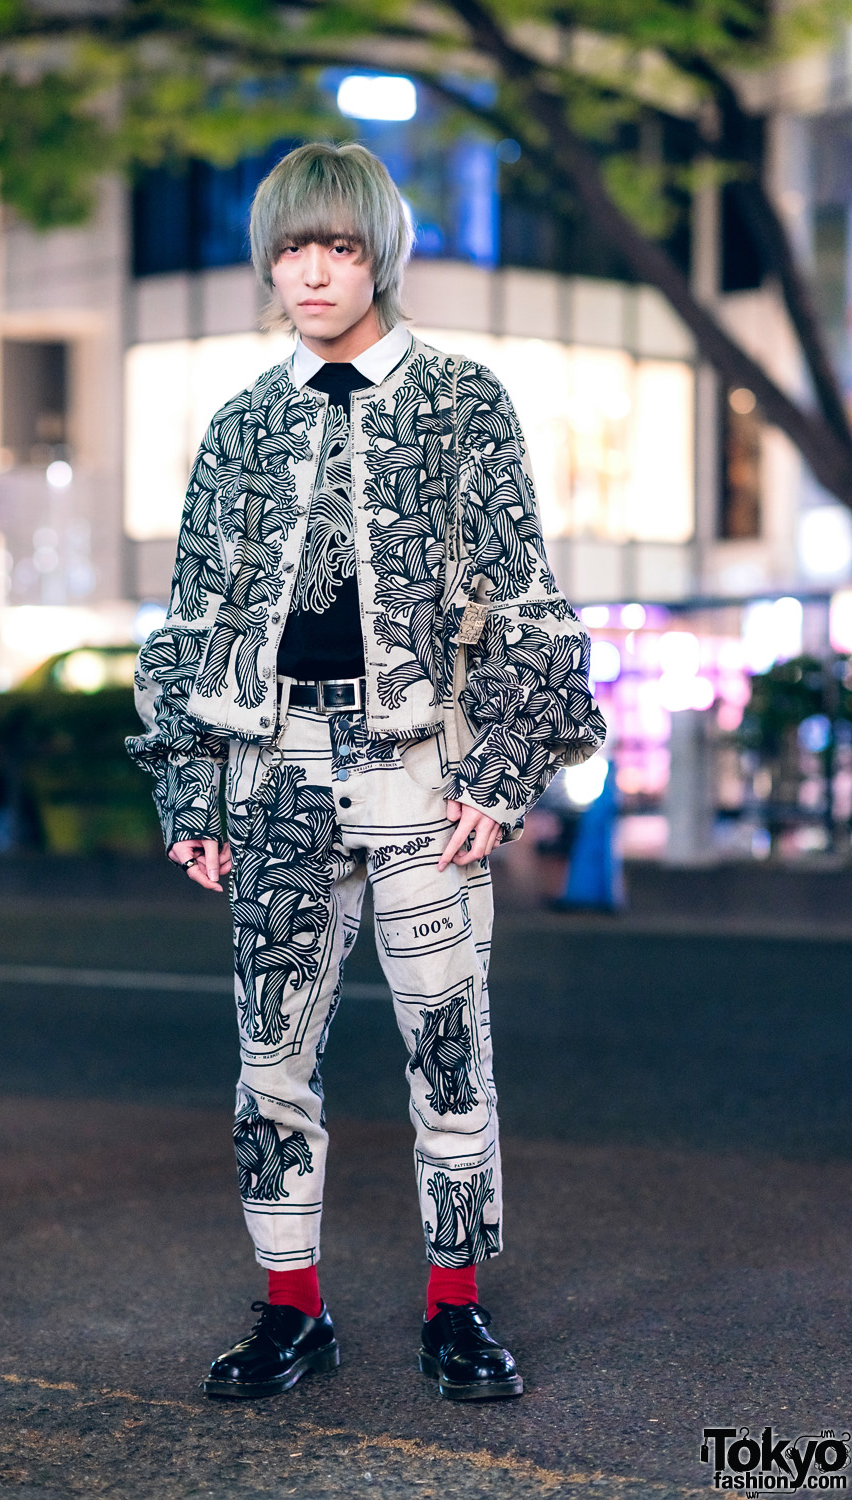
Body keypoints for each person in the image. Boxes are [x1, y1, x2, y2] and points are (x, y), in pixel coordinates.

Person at [127, 141, 606, 1402]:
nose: (313, 271)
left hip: (420, 776)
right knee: (269, 1057)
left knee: (448, 1048)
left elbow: (524, 598)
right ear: (268, 264)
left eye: (338, 245)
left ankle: (457, 1307)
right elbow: (192, 618)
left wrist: (498, 777)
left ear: (378, 253)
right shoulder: (240, 423)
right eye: (291, 248)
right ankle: (293, 1311)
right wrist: (191, 791)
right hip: (274, 771)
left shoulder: (462, 399)